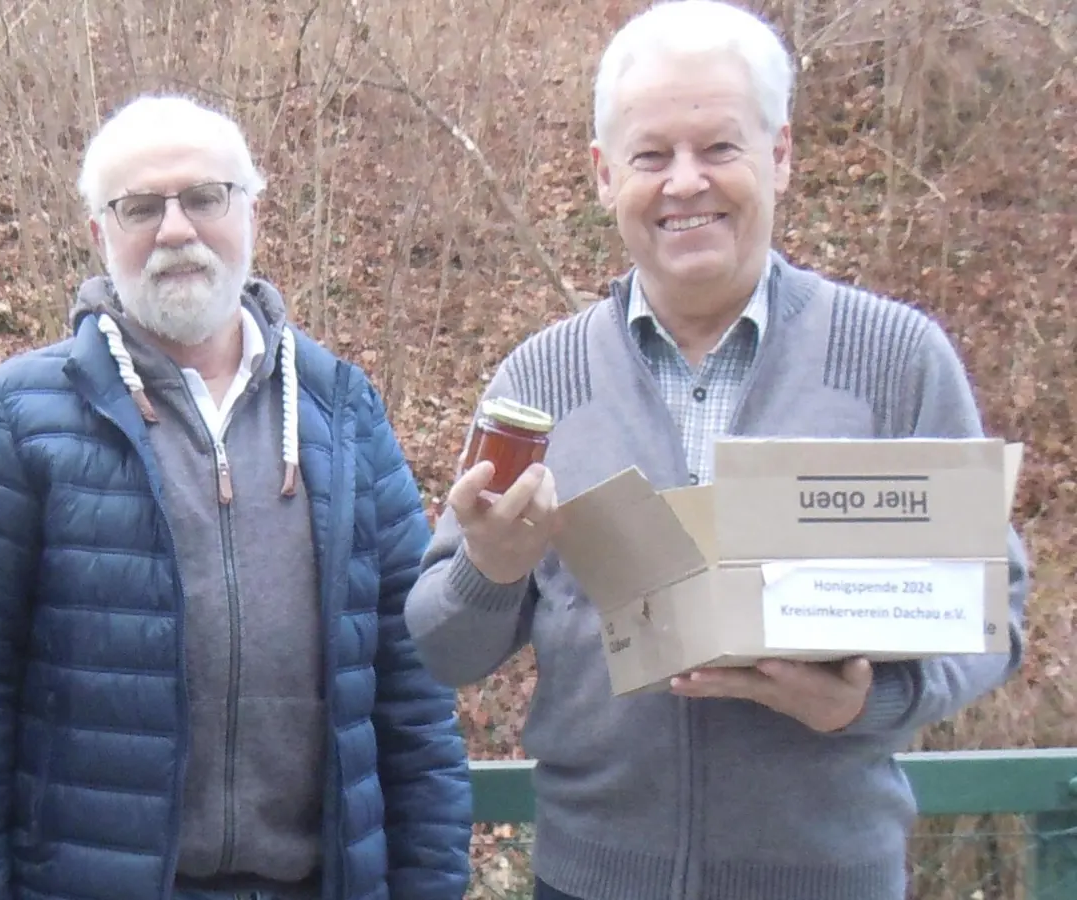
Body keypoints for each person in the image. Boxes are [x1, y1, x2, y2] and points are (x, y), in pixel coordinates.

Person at [404, 2, 1029, 899]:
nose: (684, 183)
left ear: (779, 156)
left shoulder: (895, 359)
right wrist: (490, 567)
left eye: (720, 149)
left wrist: (867, 702)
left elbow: (992, 608)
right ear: (602, 175)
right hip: (590, 881)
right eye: (651, 156)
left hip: (830, 879)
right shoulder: (539, 380)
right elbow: (444, 651)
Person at [0, 93, 472, 900]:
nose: (176, 230)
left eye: (205, 198)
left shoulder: (342, 410)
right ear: (100, 236)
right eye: (141, 207)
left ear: (251, 213)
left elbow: (412, 696)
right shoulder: (17, 419)